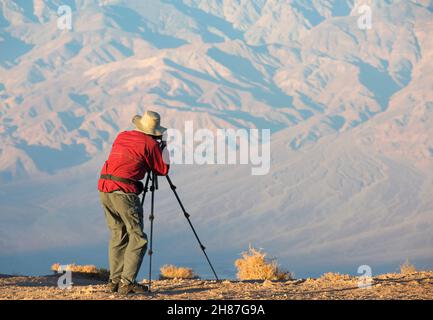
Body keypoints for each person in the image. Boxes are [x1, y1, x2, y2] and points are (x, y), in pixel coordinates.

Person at [98, 111, 169, 295]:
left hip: (105, 187)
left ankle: (114, 281)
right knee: (137, 237)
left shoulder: (122, 135)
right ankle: (127, 283)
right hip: (124, 192)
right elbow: (162, 169)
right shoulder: (151, 144)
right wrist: (164, 148)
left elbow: (128, 158)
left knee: (118, 234)